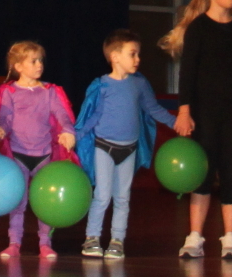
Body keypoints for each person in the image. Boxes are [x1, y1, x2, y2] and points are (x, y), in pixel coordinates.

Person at [165, 0, 232, 261]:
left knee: (231, 172)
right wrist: (184, 111)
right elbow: (187, 74)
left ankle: (230, 238)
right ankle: (194, 237)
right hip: (204, 112)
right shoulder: (198, 28)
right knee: (202, 173)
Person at [76, 32, 177, 260]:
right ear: (115, 57)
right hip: (104, 147)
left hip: (129, 149)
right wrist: (75, 135)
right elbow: (92, 117)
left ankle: (117, 240)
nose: (137, 59)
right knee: (102, 195)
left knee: (122, 198)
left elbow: (153, 109)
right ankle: (92, 238)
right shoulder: (102, 85)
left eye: (138, 54)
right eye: (132, 54)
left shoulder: (139, 84)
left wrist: (175, 122)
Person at [0, 40, 77, 261]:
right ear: (18, 66)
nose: (39, 65)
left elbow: (62, 115)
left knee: (44, 202)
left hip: (43, 155)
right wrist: (0, 129)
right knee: (18, 203)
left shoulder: (49, 91)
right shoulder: (9, 92)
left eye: (40, 60)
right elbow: (5, 119)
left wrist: (67, 131)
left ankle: (45, 243)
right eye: (33, 61)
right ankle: (14, 243)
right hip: (18, 154)